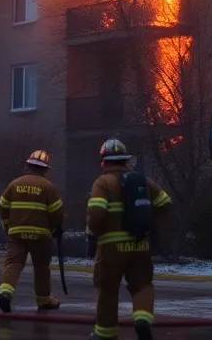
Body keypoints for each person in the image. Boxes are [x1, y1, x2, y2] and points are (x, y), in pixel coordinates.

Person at [86, 139, 172, 340]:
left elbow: (96, 214)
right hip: (140, 244)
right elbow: (166, 204)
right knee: (142, 284)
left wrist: (93, 235)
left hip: (111, 248)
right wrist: (151, 223)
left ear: (104, 162)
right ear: (126, 160)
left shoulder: (103, 182)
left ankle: (105, 334)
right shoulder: (143, 181)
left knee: (108, 288)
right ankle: (142, 319)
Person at [0, 149, 64, 313]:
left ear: (28, 166)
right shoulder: (48, 187)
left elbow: (3, 205)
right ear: (46, 169)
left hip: (16, 233)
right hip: (41, 235)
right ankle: (43, 300)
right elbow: (57, 212)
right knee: (41, 267)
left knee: (13, 263)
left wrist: (7, 225)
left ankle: (5, 292)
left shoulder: (14, 184)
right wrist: (56, 228)